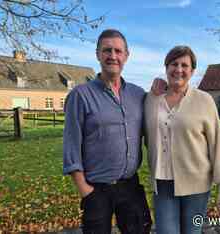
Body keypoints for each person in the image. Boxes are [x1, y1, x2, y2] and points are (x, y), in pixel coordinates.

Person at [63, 29, 153, 234]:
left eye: (118, 51)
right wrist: (85, 190)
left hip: (130, 186)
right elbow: (71, 145)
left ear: (126, 56)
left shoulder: (138, 94)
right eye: (107, 50)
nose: (113, 56)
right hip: (96, 189)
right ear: (98, 54)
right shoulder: (81, 95)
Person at [144, 46, 220, 234]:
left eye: (184, 65)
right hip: (163, 185)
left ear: (192, 71)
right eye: (174, 64)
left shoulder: (205, 101)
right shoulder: (151, 99)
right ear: (166, 67)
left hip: (197, 186)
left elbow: (217, 144)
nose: (179, 69)